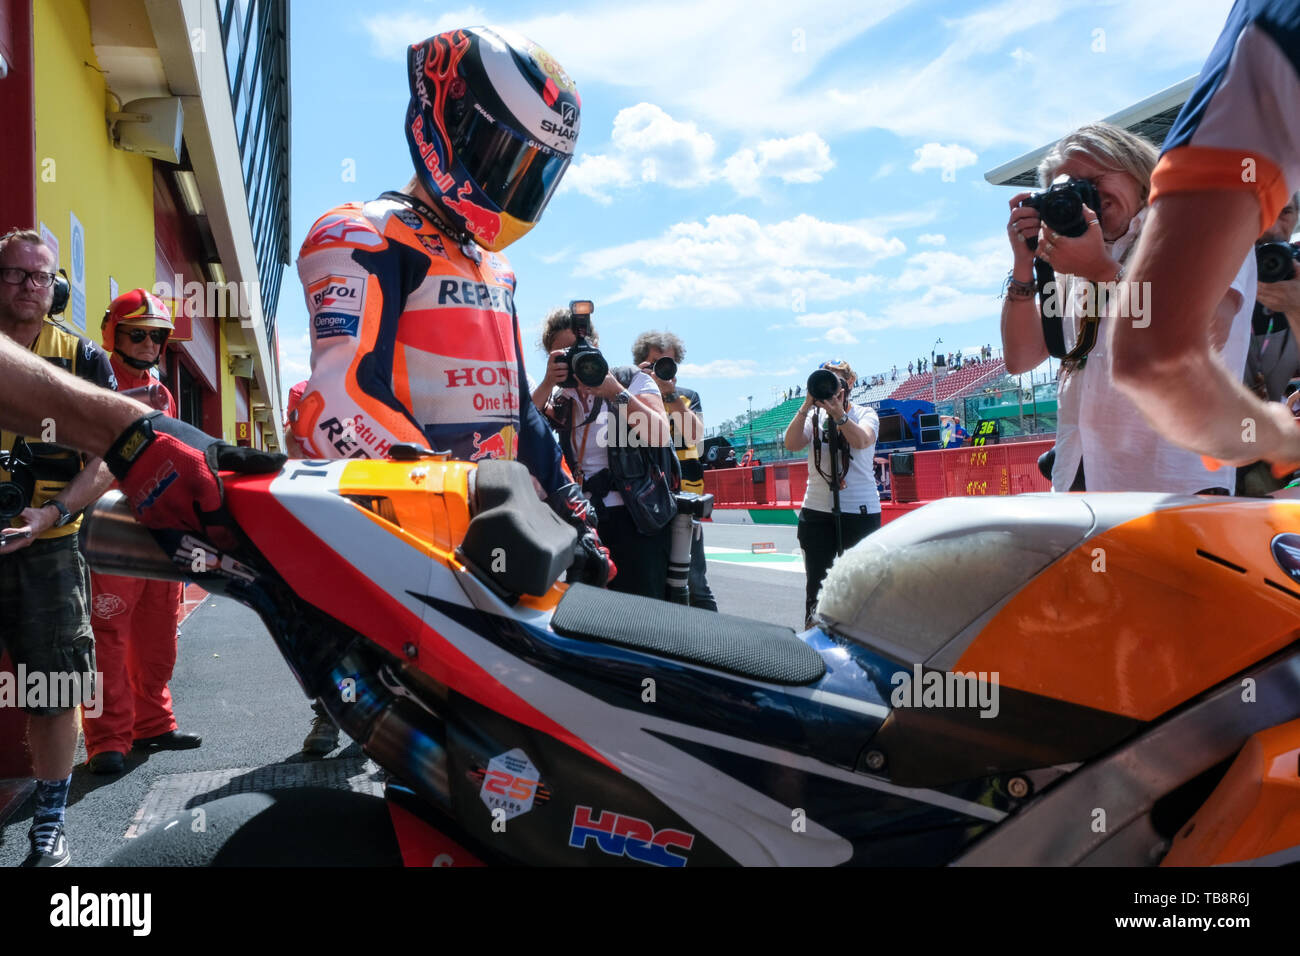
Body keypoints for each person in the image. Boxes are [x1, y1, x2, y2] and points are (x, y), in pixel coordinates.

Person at [287, 27, 611, 589]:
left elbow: (520, 411)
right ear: (449, 116)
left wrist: (574, 510)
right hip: (408, 546)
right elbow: (335, 403)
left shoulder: (496, 268)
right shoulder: (362, 234)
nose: (513, 180)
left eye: (532, 168)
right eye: (504, 155)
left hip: (494, 542)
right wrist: (467, 506)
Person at [1002, 122, 1255, 493]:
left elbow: (1205, 333)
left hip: (1175, 484)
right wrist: (1024, 265)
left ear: (1138, 171)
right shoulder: (1072, 262)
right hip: (1080, 480)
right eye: (1070, 189)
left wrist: (1103, 272)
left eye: (1095, 179)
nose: (1086, 195)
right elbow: (1022, 358)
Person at [0, 229, 116, 865]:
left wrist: (51, 513)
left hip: (49, 546)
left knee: (51, 688)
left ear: (56, 288)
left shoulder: (84, 358)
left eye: (39, 278)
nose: (27, 287)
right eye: (15, 275)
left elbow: (111, 456)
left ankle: (49, 822)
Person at [82, 290, 199, 776]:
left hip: (157, 525)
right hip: (109, 525)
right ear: (114, 332)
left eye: (158, 335)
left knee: (158, 630)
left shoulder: (162, 389)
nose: (150, 343)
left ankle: (153, 722)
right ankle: (107, 738)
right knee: (109, 632)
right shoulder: (90, 377)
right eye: (139, 333)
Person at [534, 308, 673, 599]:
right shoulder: (560, 399)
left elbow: (660, 434)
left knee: (641, 610)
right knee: (590, 611)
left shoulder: (631, 379)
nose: (573, 360)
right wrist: (547, 383)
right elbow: (518, 435)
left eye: (577, 350)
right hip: (584, 520)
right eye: (562, 355)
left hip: (635, 515)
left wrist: (614, 392)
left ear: (594, 345)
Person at [782, 360, 880, 628]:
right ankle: (815, 647)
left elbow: (861, 440)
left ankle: (860, 646)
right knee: (817, 586)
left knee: (860, 588)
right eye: (825, 381)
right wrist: (806, 405)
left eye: (836, 381)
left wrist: (840, 416)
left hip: (860, 510)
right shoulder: (814, 417)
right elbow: (791, 444)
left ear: (849, 384)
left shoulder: (865, 413)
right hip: (816, 509)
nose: (830, 388)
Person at [631, 330, 716, 611]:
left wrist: (670, 397)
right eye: (654, 363)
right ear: (641, 364)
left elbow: (695, 437)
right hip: (648, 501)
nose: (661, 369)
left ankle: (710, 648)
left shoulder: (688, 397)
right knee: (652, 582)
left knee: (695, 582)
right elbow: (624, 437)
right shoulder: (631, 395)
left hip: (685, 501)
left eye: (666, 363)